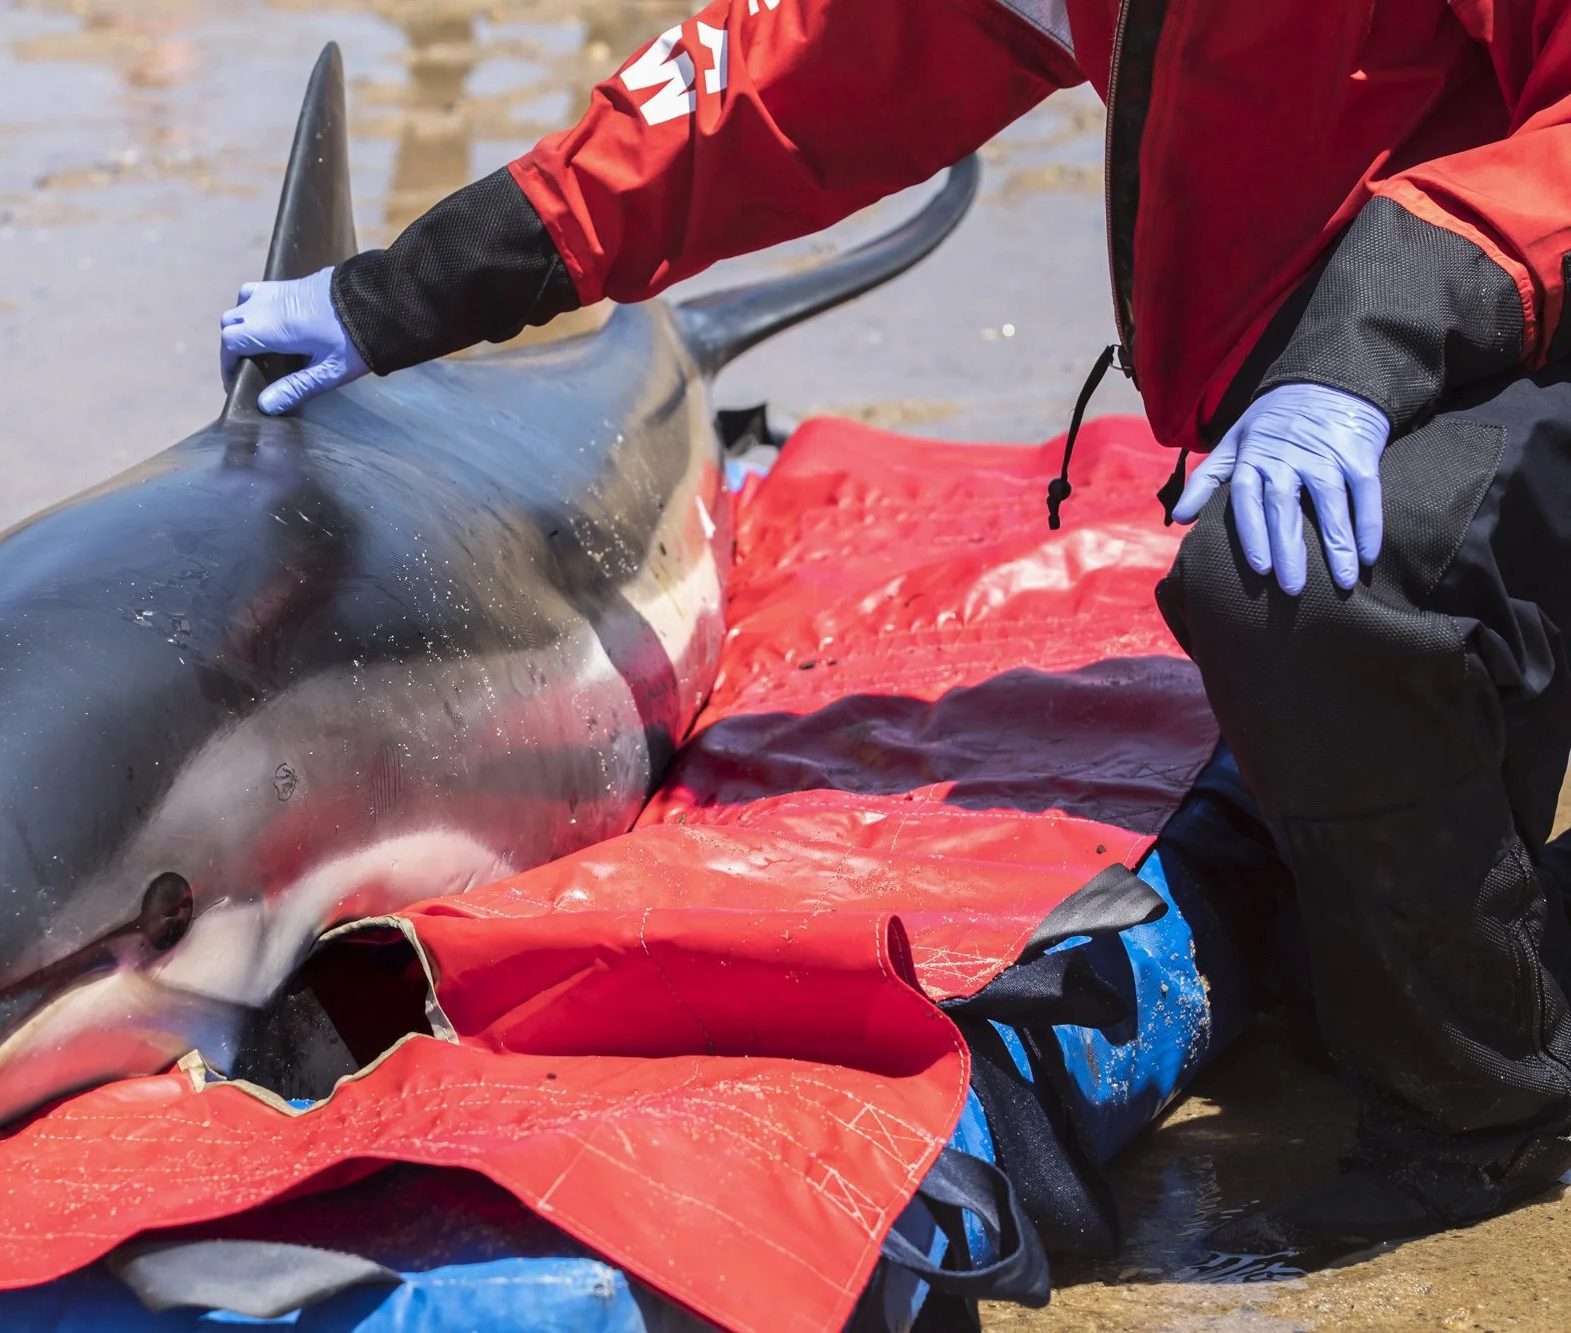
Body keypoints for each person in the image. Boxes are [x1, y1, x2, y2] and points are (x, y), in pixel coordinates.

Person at [220, 0, 1571, 1260]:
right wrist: (407, 292)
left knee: (1311, 589)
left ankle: (1480, 1130)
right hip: (1430, 355)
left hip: (1505, 320)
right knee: (1347, 782)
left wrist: (1369, 341)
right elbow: (790, 81)